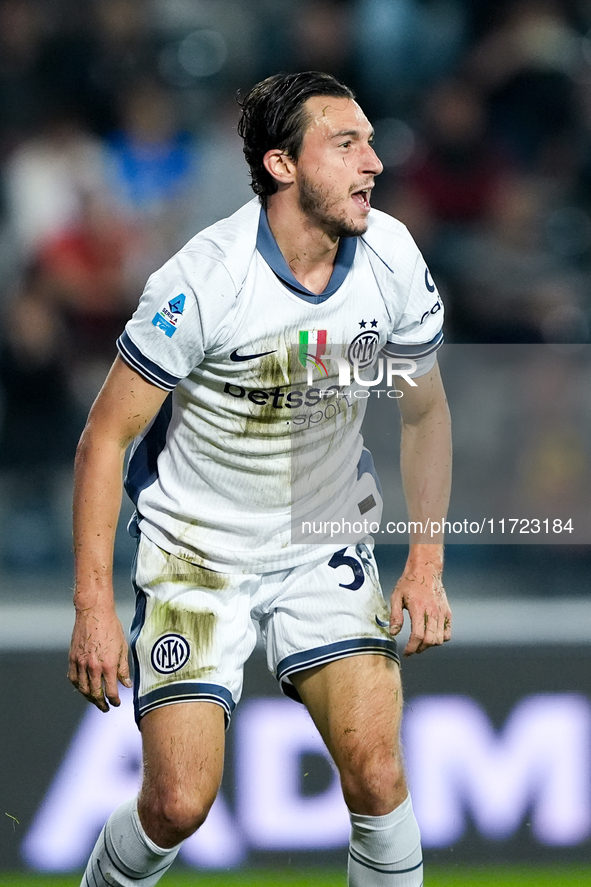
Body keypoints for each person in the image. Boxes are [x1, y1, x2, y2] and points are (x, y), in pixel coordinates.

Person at [68, 71, 452, 887]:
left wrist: (426, 561)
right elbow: (105, 440)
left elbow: (424, 414)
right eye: (345, 144)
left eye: (371, 141)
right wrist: (93, 606)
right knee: (176, 802)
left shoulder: (390, 255)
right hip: (195, 556)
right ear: (281, 165)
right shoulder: (202, 281)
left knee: (379, 776)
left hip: (323, 543)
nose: (373, 163)